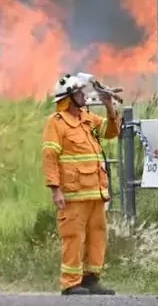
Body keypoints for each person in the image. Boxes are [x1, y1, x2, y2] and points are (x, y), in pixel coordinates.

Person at [41, 73, 121, 295]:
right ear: (69, 98)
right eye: (79, 93)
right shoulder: (56, 123)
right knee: (73, 237)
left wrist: (108, 105)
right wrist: (55, 190)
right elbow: (49, 157)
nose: (84, 96)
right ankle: (70, 283)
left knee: (97, 235)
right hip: (73, 194)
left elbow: (111, 132)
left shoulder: (88, 119)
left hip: (95, 192)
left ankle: (91, 279)